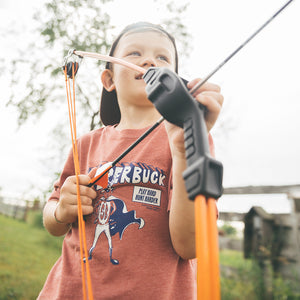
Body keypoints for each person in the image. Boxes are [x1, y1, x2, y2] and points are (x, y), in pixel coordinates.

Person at [38, 22, 223, 299]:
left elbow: (190, 245)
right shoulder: (86, 143)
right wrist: (61, 210)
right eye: (134, 53)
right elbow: (53, 220)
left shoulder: (190, 137)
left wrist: (185, 151)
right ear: (109, 80)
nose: (149, 60)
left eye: (163, 58)